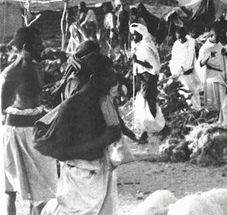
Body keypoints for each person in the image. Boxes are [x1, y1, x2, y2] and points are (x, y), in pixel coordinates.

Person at [40, 54, 122, 215]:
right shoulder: (71, 107)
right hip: (78, 179)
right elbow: (60, 153)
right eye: (109, 75)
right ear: (94, 78)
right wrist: (101, 141)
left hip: (101, 174)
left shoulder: (104, 102)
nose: (114, 80)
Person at [0, 27, 58, 215]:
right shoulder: (10, 74)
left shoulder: (34, 67)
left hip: (35, 132)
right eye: (38, 44)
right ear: (26, 46)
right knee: (10, 191)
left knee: (43, 190)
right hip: (15, 134)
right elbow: (2, 107)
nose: (42, 47)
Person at [130, 23, 163, 142]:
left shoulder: (145, 47)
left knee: (148, 102)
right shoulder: (140, 46)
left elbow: (151, 65)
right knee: (145, 101)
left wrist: (137, 61)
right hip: (143, 77)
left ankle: (150, 129)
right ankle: (148, 129)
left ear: (140, 35)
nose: (133, 38)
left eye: (135, 35)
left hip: (149, 77)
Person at [169, 27, 202, 110]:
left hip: (192, 72)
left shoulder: (191, 41)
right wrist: (177, 70)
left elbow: (191, 57)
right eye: (178, 38)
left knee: (195, 93)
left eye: (182, 37)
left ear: (185, 35)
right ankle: (188, 112)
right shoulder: (176, 46)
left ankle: (197, 111)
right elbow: (174, 60)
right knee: (186, 94)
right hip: (182, 74)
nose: (180, 40)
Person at [196, 26, 227, 113]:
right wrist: (208, 55)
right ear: (210, 36)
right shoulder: (205, 48)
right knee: (213, 103)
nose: (216, 39)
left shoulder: (220, 46)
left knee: (223, 102)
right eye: (214, 36)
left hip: (222, 76)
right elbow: (200, 64)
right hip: (211, 78)